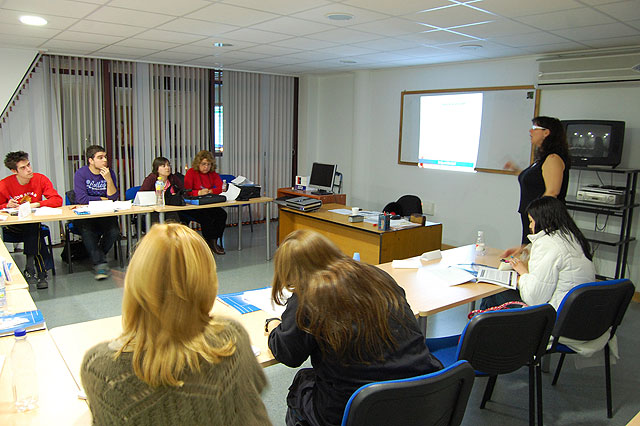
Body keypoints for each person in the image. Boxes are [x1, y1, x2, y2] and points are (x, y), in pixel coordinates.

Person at [80, 223, 271, 425]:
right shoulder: (231, 339)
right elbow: (252, 395)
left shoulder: (101, 368)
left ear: (135, 281)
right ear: (207, 281)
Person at [267, 230, 443, 426]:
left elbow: (289, 354)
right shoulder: (377, 276)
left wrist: (274, 326)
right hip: (424, 397)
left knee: (301, 386)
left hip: (361, 410)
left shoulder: (308, 297)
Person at [481, 196, 595, 311]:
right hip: (577, 314)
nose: (530, 226)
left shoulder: (546, 244)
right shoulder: (572, 238)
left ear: (542, 220)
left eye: (531, 221)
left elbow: (534, 298)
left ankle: (476, 327)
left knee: (492, 295)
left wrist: (522, 273)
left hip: (553, 315)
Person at [502, 116, 570, 258]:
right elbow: (535, 180)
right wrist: (515, 169)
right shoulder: (542, 159)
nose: (530, 131)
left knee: (537, 254)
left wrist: (538, 218)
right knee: (528, 251)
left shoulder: (553, 158)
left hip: (542, 218)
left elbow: (552, 191)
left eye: (534, 128)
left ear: (547, 132)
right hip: (531, 215)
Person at [0, 151, 62, 289]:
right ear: (13, 171)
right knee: (35, 231)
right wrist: (6, 205)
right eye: (23, 168)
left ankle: (32, 270)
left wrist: (38, 203)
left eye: (28, 165)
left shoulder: (40, 179)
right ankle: (40, 273)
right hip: (13, 226)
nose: (29, 169)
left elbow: (57, 200)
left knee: (33, 229)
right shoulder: (4, 184)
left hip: (31, 225)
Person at [73, 145, 121, 280]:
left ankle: (97, 254)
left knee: (114, 231)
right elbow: (81, 199)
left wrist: (108, 180)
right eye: (100, 157)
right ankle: (100, 263)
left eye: (105, 157)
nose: (104, 160)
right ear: (91, 160)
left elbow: (113, 197)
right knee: (88, 232)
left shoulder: (109, 173)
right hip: (87, 215)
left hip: (105, 213)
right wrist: (101, 198)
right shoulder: (81, 173)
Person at [183, 150, 227, 255]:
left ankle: (213, 241)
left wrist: (211, 191)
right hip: (193, 205)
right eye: (203, 164)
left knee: (222, 215)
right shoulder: (191, 172)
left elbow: (221, 188)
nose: (206, 167)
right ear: (198, 163)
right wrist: (198, 192)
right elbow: (186, 191)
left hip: (208, 203)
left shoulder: (213, 174)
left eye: (208, 164)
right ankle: (209, 243)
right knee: (207, 218)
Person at [140, 156, 184, 223]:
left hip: (170, 209)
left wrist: (176, 195)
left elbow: (183, 190)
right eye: (163, 166)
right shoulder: (151, 179)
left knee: (173, 220)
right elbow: (142, 195)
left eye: (168, 165)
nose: (167, 168)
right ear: (157, 168)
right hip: (154, 211)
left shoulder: (173, 178)